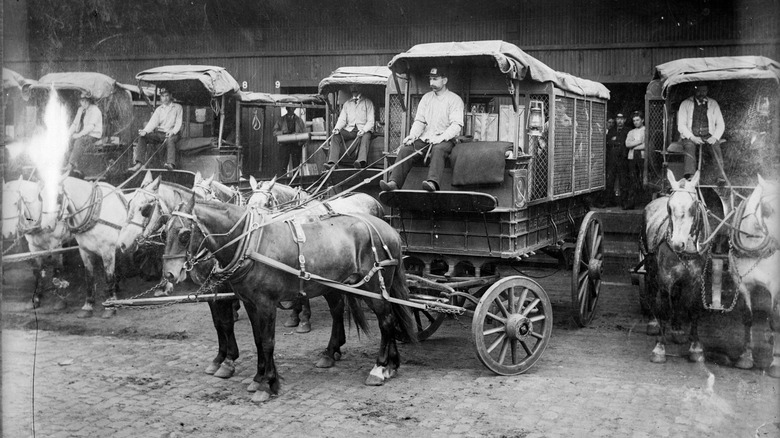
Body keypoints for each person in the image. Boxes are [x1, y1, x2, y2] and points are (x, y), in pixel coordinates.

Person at [380, 66, 464, 192]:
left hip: (446, 139)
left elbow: (456, 125)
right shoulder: (426, 98)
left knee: (438, 149)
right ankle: (394, 182)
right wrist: (412, 136)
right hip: (427, 138)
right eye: (430, 79)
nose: (431, 83)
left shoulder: (454, 99)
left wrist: (440, 138)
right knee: (406, 149)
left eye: (435, 79)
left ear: (445, 80)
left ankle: (432, 183)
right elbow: (420, 121)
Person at [670, 83, 727, 182]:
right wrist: (692, 137)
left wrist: (715, 137)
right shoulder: (685, 103)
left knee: (715, 146)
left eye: (704, 91)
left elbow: (721, 124)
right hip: (691, 136)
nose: (701, 94)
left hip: (709, 135)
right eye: (699, 91)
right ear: (695, 90)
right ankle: (690, 176)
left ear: (707, 91)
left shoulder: (713, 104)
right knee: (689, 146)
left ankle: (720, 176)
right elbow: (681, 125)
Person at [127, 88, 183, 172]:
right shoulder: (159, 109)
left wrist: (172, 132)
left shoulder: (178, 107)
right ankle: (139, 163)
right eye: (163, 96)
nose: (165, 98)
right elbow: (153, 123)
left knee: (170, 140)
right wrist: (145, 131)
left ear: (171, 96)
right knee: (143, 137)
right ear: (160, 97)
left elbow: (179, 123)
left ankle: (170, 164)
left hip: (173, 134)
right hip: (160, 134)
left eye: (167, 95)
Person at [324, 84, 375, 170]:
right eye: (352, 87)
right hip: (350, 130)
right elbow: (342, 119)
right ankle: (333, 163)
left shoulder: (368, 102)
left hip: (364, 130)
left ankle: (361, 162)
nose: (354, 88)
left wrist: (363, 130)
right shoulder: (347, 104)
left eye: (356, 87)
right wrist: (337, 129)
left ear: (361, 88)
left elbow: (371, 121)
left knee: (366, 136)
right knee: (336, 135)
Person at [66, 91, 103, 177]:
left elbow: (90, 127)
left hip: (93, 135)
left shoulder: (95, 110)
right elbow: (75, 124)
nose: (84, 103)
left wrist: (78, 135)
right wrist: (67, 134)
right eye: (82, 101)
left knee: (80, 141)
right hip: (83, 133)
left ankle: (71, 164)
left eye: (86, 100)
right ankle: (69, 164)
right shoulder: (80, 110)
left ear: (90, 100)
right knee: (68, 140)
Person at [600, 113, 629, 207]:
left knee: (623, 181)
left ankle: (624, 203)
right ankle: (608, 201)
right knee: (610, 180)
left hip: (623, 158)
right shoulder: (611, 131)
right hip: (612, 158)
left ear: (624, 120)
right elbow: (608, 143)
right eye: (618, 119)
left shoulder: (628, 131)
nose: (619, 121)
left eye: (621, 119)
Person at [272, 107, 307, 174]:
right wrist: (283, 132)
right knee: (283, 165)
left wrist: (301, 143)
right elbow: (274, 132)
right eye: (289, 109)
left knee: (296, 166)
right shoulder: (281, 120)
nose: (291, 110)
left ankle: (295, 183)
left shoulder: (299, 121)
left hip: (296, 145)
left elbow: (304, 134)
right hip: (284, 145)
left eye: (293, 109)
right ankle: (283, 182)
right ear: (286, 109)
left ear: (294, 109)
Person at [623, 111, 646, 209]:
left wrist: (634, 145)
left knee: (642, 179)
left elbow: (646, 145)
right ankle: (631, 203)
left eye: (637, 120)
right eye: (634, 121)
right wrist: (639, 142)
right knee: (633, 179)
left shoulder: (646, 130)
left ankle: (643, 202)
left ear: (642, 120)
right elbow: (627, 144)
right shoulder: (631, 132)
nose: (636, 122)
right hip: (632, 157)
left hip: (642, 157)